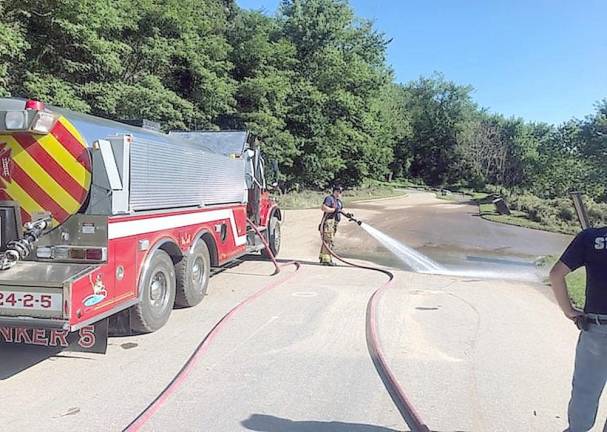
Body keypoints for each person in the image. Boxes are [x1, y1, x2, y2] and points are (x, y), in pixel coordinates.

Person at [550, 226, 607, 432]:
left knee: (586, 393)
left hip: (598, 329)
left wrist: (569, 311)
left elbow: (556, 274)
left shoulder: (591, 237)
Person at [318, 185, 344, 266]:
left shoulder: (338, 201)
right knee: (328, 240)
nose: (340, 193)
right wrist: (333, 210)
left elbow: (340, 210)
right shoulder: (329, 198)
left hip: (334, 224)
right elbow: (323, 208)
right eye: (339, 191)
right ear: (335, 191)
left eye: (341, 192)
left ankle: (323, 257)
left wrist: (348, 215)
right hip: (328, 222)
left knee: (328, 240)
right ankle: (327, 260)